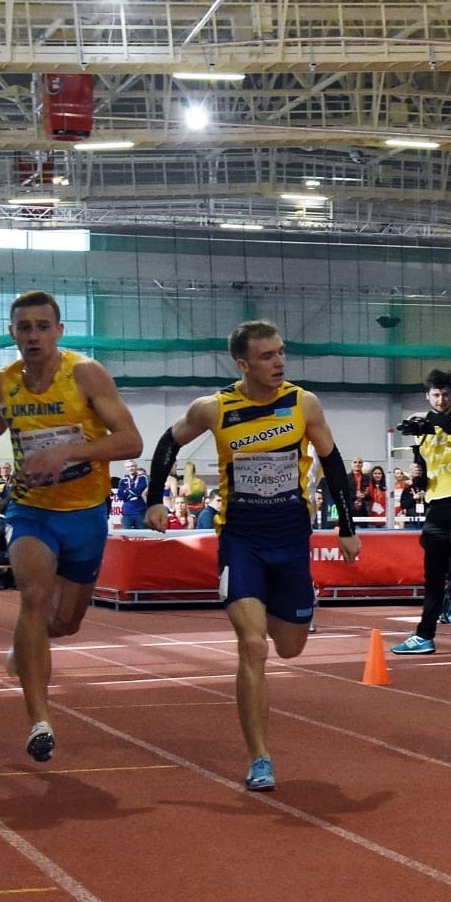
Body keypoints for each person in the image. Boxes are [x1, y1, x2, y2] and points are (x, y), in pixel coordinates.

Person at [141, 320, 362, 791]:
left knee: (290, 647)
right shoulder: (214, 409)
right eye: (267, 356)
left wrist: (346, 527)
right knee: (253, 646)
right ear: (242, 364)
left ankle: (301, 604)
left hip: (290, 540)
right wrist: (154, 497)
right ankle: (259, 756)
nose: (279, 362)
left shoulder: (303, 404)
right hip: (241, 541)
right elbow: (166, 442)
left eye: (281, 353)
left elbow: (333, 463)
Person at [0, 290, 143, 762]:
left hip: (85, 513)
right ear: (12, 333)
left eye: (42, 326)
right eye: (24, 327)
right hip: (31, 510)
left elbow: (131, 441)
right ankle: (39, 721)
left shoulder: (86, 375)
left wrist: (67, 452)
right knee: (32, 599)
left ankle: (27, 648)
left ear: (58, 330)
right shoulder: (2, 382)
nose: (33, 335)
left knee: (66, 623)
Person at [392, 368, 451, 656]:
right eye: (436, 395)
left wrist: (429, 421)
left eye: (446, 394)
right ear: (428, 395)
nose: (441, 399)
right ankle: (425, 635)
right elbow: (423, 478)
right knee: (432, 574)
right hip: (436, 508)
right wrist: (416, 474)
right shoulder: (424, 432)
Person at [117, 459, 149, 530]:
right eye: (128, 467)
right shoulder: (123, 481)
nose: (130, 468)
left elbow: (140, 491)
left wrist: (127, 490)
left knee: (142, 536)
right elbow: (120, 495)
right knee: (127, 536)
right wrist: (133, 492)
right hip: (127, 512)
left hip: (140, 512)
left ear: (136, 467)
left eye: (132, 466)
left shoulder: (142, 478)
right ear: (126, 469)